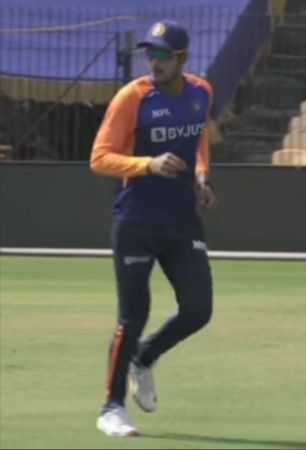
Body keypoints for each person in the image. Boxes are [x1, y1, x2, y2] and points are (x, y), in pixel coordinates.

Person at [89, 20, 218, 437]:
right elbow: (100, 157)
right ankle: (111, 409)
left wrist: (201, 176)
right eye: (150, 52)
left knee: (199, 309)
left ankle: (145, 357)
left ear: (181, 58)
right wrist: (148, 164)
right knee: (134, 315)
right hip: (136, 222)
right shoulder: (133, 97)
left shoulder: (202, 92)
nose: (153, 61)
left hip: (181, 221)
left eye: (162, 54)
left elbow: (198, 140)